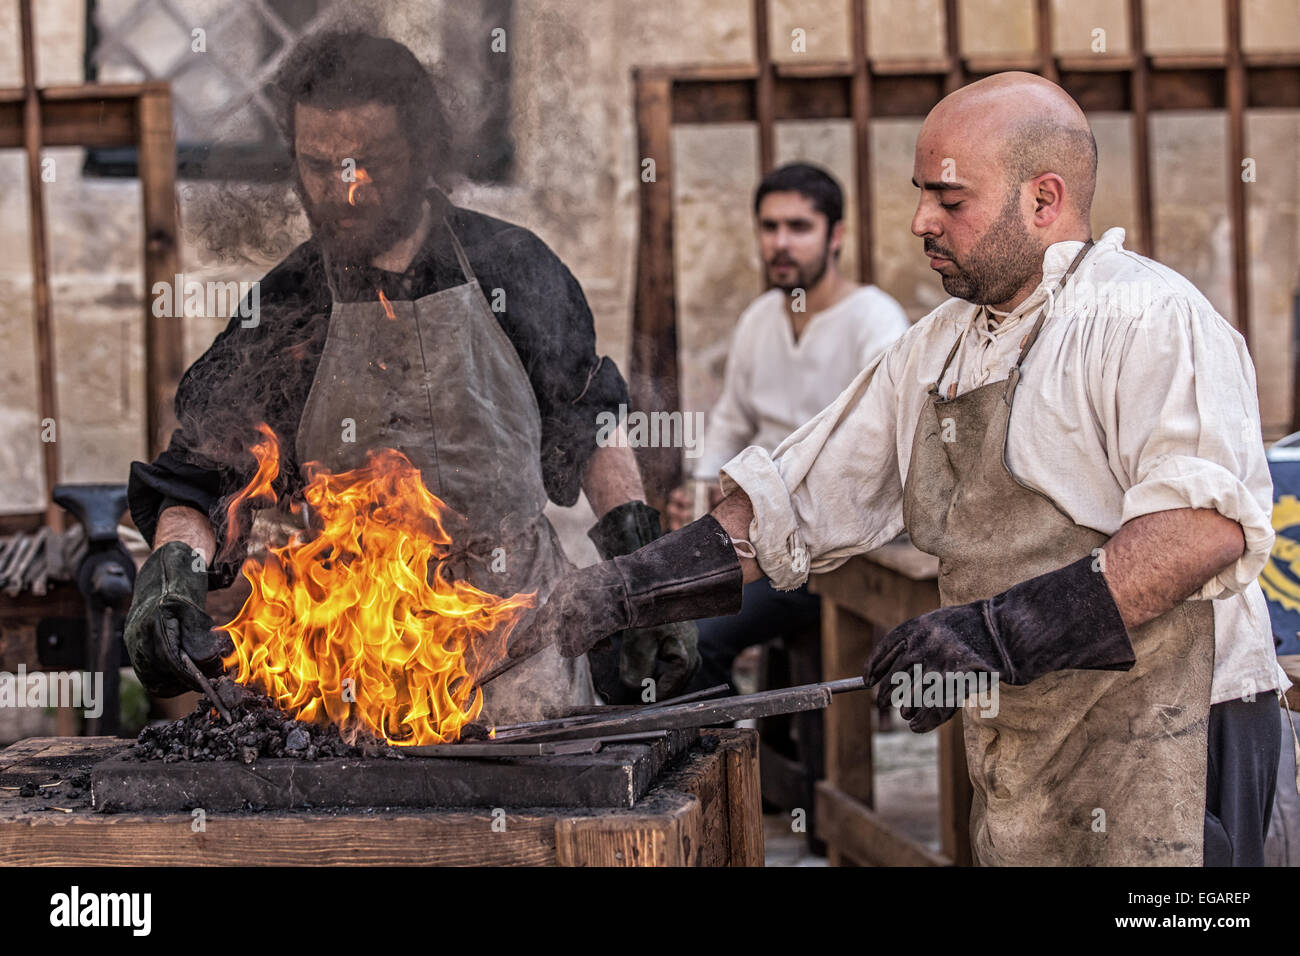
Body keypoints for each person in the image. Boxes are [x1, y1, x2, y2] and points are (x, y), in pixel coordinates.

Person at [522, 72, 1289, 865]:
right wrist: (616, 593)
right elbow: (789, 508)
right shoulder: (938, 349)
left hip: (1182, 729)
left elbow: (1199, 530)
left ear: (1043, 199)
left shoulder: (1149, 319)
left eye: (950, 201)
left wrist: (992, 632)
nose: (922, 219)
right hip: (1037, 732)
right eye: (922, 193)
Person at [122, 31, 697, 723]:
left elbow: (590, 420)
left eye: (370, 162)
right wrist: (171, 574)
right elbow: (198, 473)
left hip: (517, 641)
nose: (345, 189)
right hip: (358, 649)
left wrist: (642, 564)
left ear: (422, 152)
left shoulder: (511, 267)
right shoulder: (287, 305)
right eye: (319, 165)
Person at [664, 163, 908, 692]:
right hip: (757, 535)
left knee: (698, 639)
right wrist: (702, 488)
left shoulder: (876, 321)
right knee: (658, 619)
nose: (781, 243)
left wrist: (762, 513)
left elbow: (882, 454)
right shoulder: (759, 319)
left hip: (835, 550)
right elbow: (731, 421)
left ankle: (721, 768)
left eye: (799, 227)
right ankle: (720, 765)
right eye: (769, 227)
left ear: (835, 235)